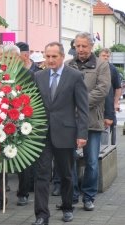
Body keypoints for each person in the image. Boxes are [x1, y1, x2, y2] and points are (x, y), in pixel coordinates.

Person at [32, 41, 89, 225]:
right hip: (42, 134)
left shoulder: (75, 76)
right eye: (47, 56)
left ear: (62, 57)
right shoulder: (38, 76)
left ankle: (67, 207)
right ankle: (41, 215)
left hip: (66, 133)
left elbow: (82, 108)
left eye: (54, 56)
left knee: (66, 174)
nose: (50, 60)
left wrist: (82, 134)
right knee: (41, 175)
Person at [65, 32, 111, 211]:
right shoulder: (68, 64)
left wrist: (79, 102)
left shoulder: (102, 65)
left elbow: (102, 90)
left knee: (91, 161)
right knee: (71, 160)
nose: (81, 49)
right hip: (70, 122)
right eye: (78, 46)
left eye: (84, 46)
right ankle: (73, 194)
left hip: (92, 120)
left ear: (91, 46)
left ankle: (89, 196)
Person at [0, 44, 35, 211]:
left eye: (8, 58)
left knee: (23, 160)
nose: (5, 61)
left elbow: (33, 98)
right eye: (1, 57)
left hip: (21, 121)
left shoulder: (28, 75)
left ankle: (23, 193)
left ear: (18, 58)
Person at [99, 48, 122, 145]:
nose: (105, 57)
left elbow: (118, 88)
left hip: (107, 103)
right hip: (94, 103)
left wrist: (115, 102)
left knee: (106, 128)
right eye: (103, 55)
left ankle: (103, 151)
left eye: (107, 56)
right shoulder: (93, 67)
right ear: (99, 56)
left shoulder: (113, 69)